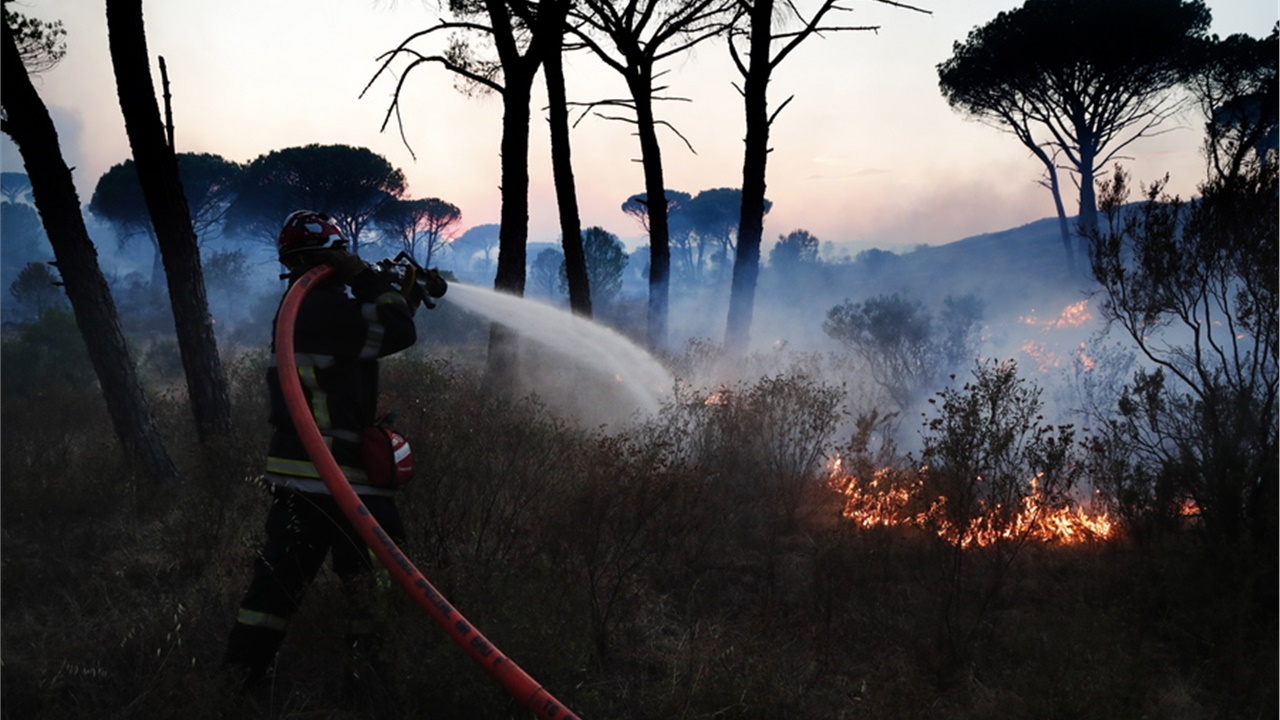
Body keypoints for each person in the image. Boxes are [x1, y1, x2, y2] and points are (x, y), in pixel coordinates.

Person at [223, 210, 425, 698]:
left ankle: (236, 686)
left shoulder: (303, 308)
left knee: (274, 590)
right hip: (344, 481)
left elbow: (377, 330)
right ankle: (369, 690)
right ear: (331, 257)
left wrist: (404, 295)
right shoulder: (324, 309)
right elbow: (395, 330)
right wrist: (369, 278)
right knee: (372, 586)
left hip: (299, 482)